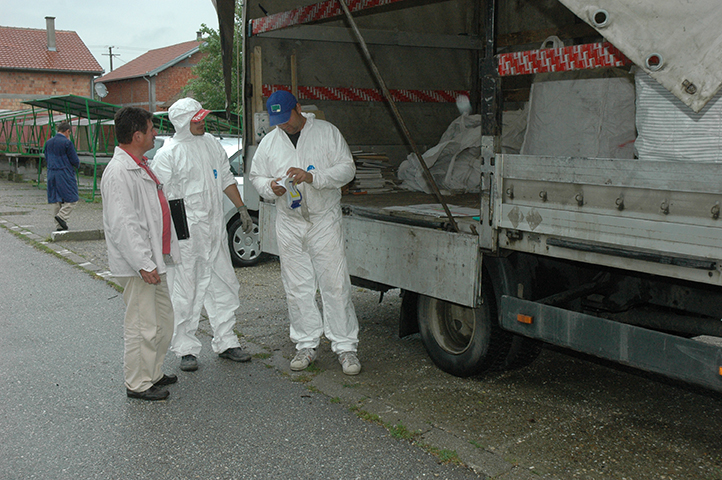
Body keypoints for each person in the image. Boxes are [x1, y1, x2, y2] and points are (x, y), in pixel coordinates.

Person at [249, 90, 361, 375]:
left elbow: (347, 169)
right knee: (297, 285)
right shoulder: (270, 142)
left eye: (287, 118)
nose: (283, 125)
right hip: (289, 221)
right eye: (278, 121)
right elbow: (256, 176)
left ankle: (346, 347)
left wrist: (314, 177)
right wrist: (269, 187)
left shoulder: (326, 133)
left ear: (298, 109)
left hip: (323, 218)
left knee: (335, 283)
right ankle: (305, 343)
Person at [152, 98, 253, 372]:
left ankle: (227, 341)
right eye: (196, 119)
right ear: (183, 122)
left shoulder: (210, 142)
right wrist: (168, 239)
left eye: (202, 118)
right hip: (186, 235)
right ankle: (184, 347)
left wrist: (242, 208)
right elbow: (160, 200)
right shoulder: (168, 154)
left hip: (214, 230)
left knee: (224, 284)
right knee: (186, 289)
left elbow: (226, 178)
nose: (202, 122)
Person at [101, 107, 180, 401]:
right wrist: (143, 263)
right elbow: (123, 224)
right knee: (140, 324)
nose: (155, 133)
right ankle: (137, 382)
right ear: (137, 135)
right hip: (141, 266)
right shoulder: (119, 172)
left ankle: (153, 372)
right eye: (150, 129)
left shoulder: (141, 164)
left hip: (153, 261)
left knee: (162, 319)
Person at [44, 122, 80, 231]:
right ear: (67, 131)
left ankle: (59, 226)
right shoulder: (67, 143)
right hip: (64, 172)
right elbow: (74, 159)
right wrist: (77, 165)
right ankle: (62, 216)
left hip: (51, 172)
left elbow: (46, 156)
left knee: (56, 199)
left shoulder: (48, 142)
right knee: (72, 197)